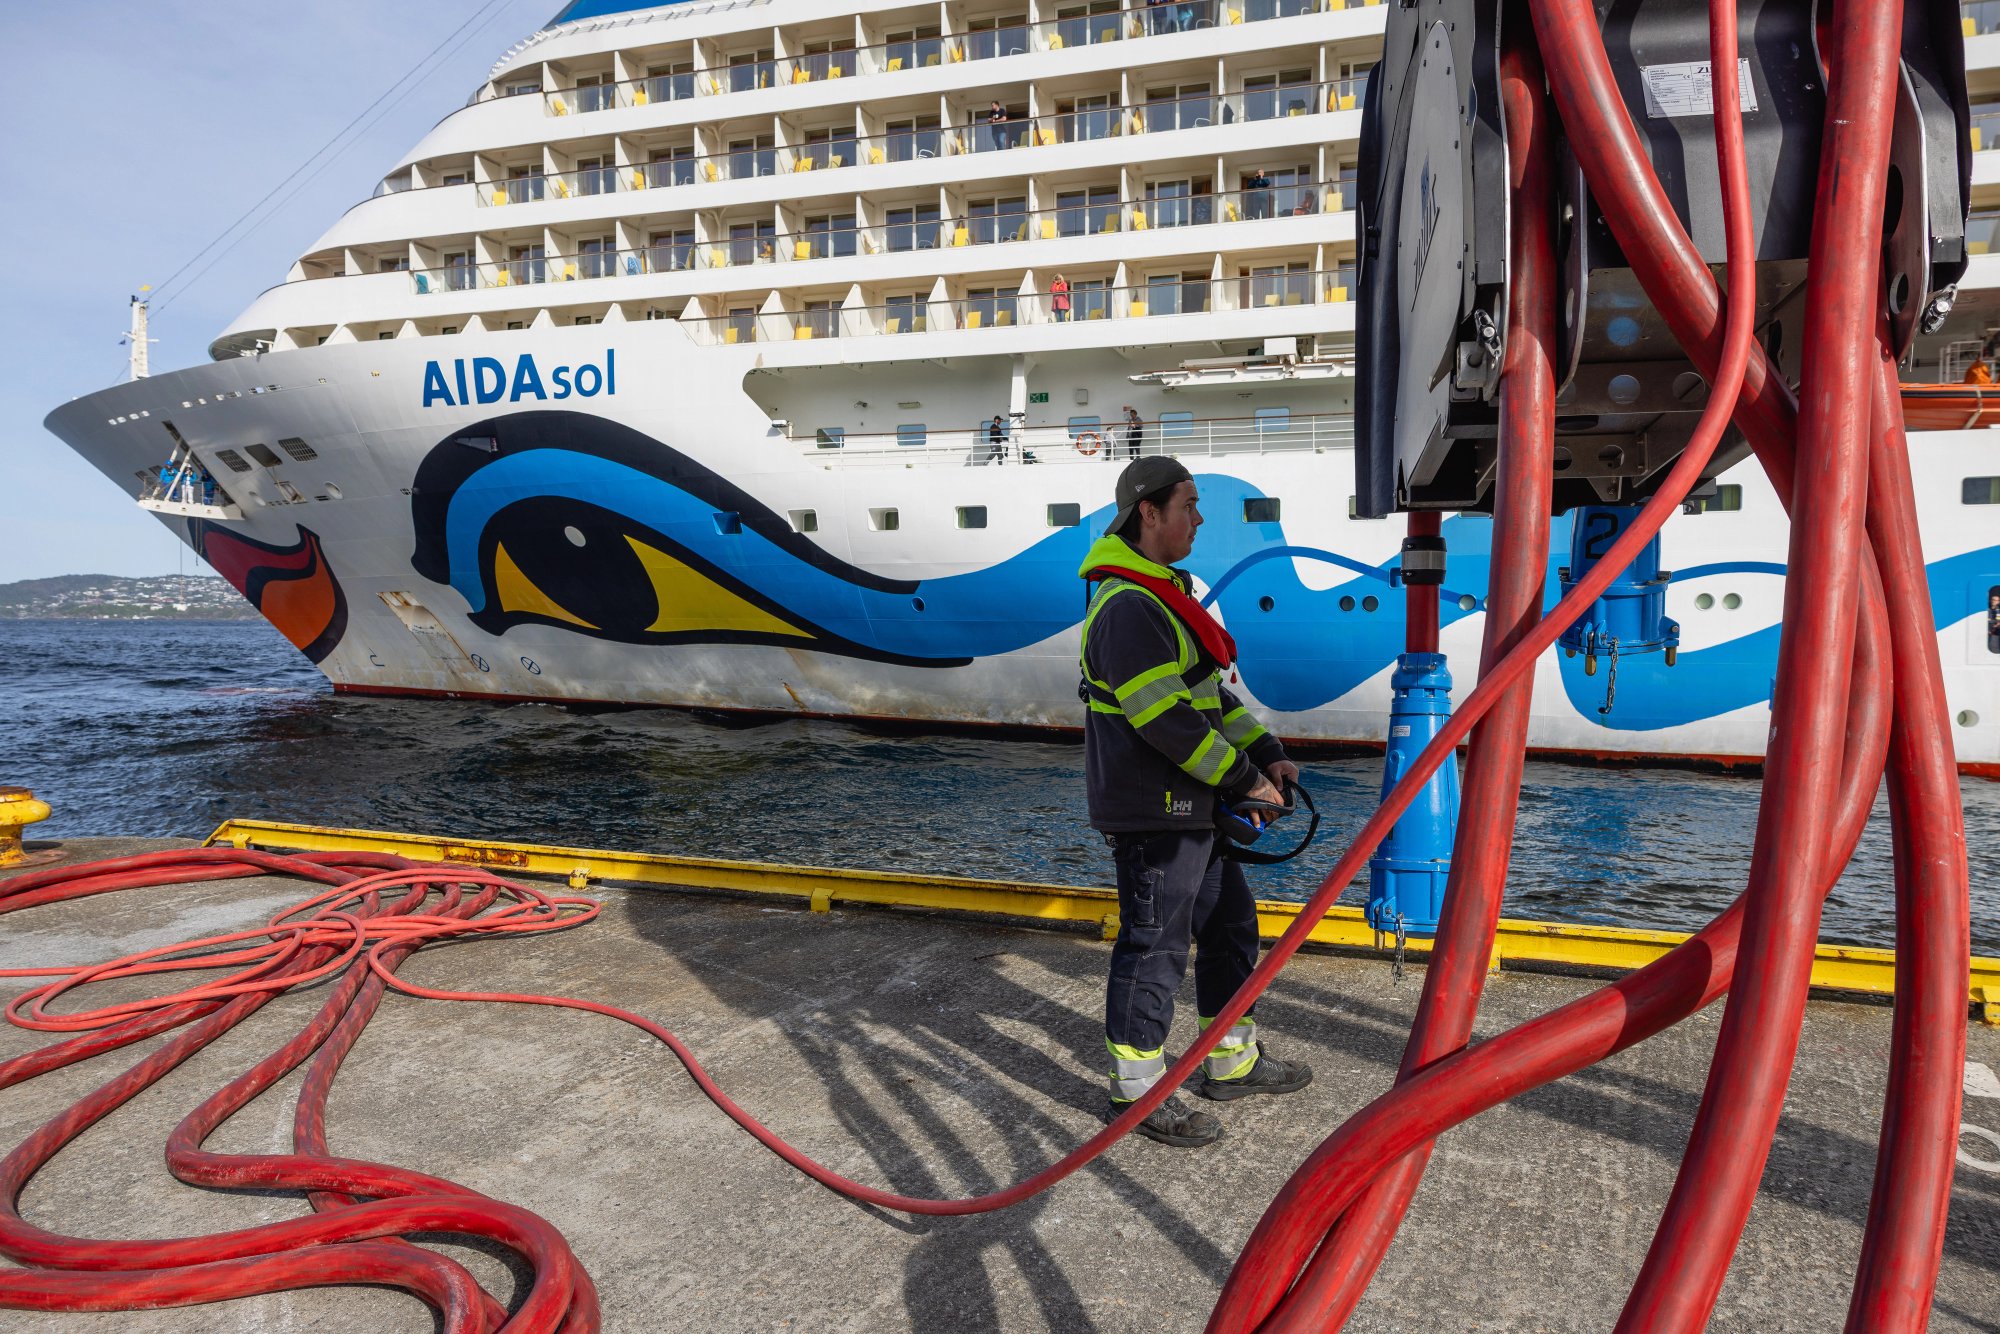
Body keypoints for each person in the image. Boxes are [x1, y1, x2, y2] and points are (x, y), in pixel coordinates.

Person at [1076, 455, 1312, 1148]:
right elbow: (1167, 721)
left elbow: (1207, 700)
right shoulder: (1129, 607)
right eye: (1188, 504)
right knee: (1155, 946)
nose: (1199, 518)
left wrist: (1265, 751)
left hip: (1189, 809)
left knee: (1232, 924)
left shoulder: (1159, 599)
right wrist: (1245, 782)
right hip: (1156, 811)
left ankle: (1230, 1062)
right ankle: (1137, 1093)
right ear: (1147, 512)